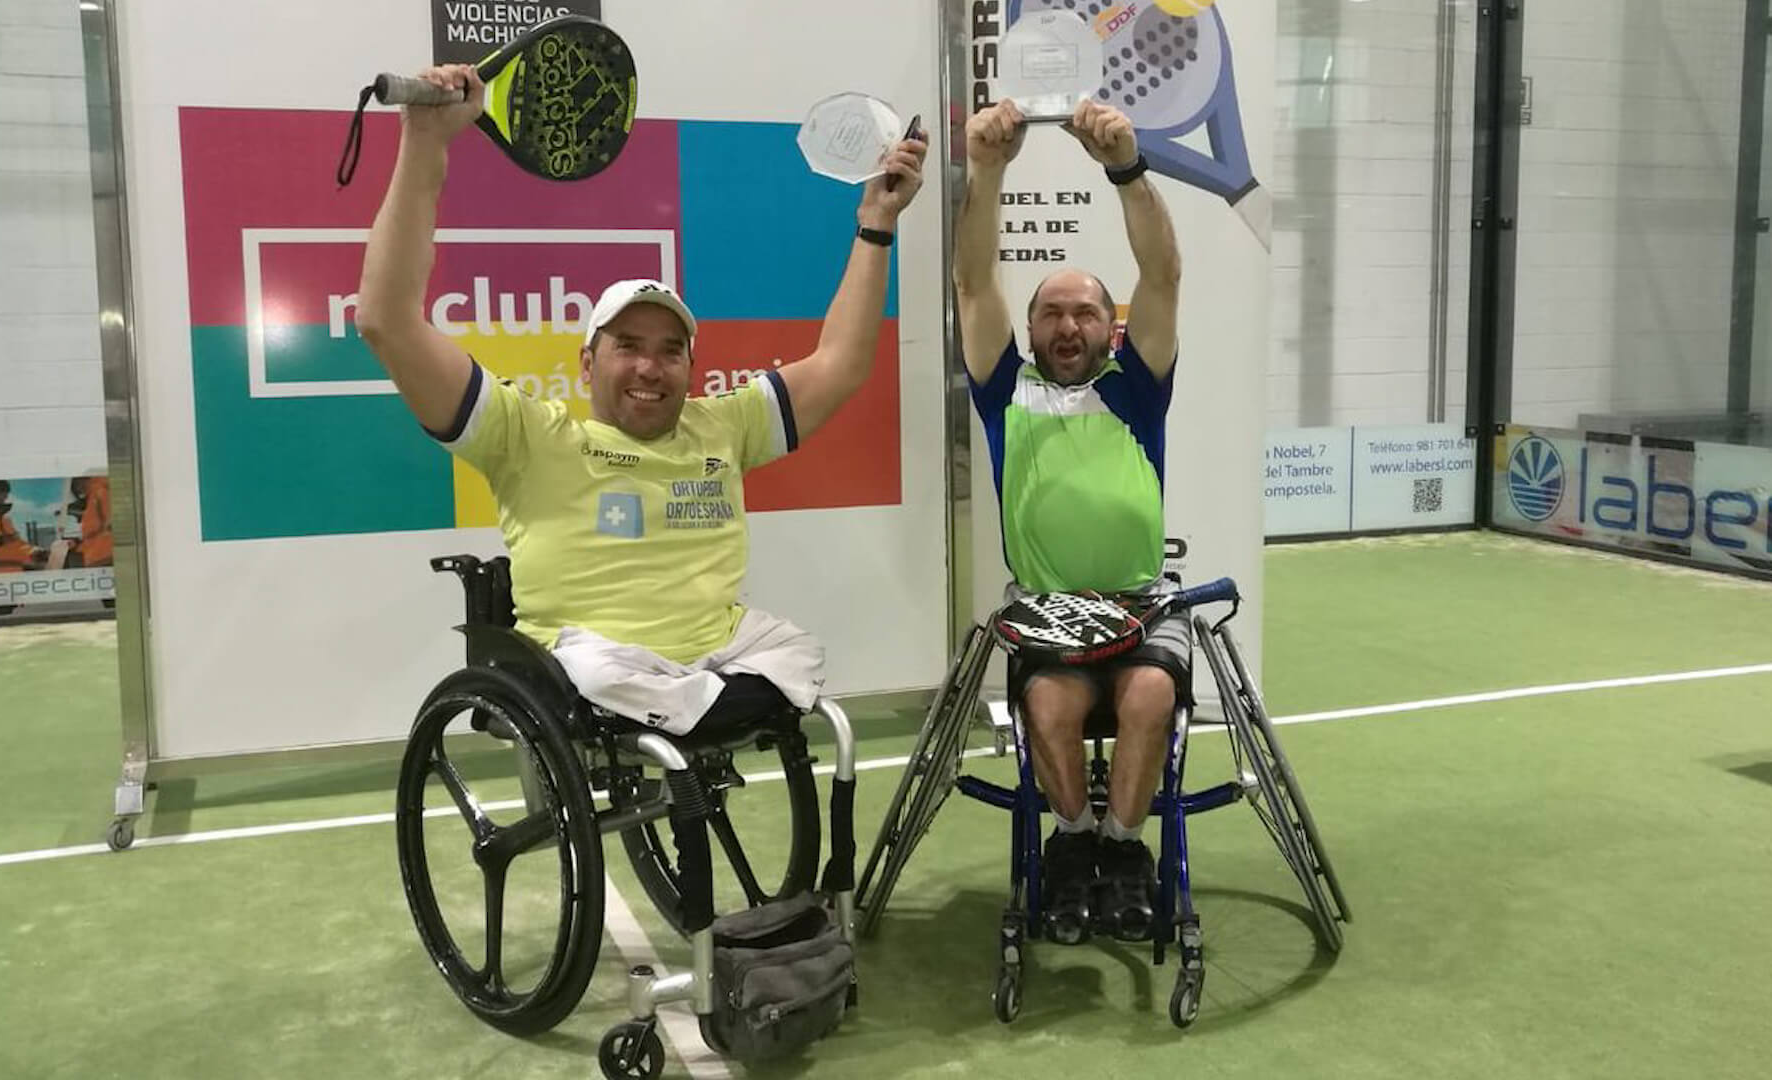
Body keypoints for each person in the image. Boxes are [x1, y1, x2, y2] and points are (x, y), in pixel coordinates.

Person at [355, 63, 926, 736]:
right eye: (628, 345)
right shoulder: (526, 435)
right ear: (588, 361)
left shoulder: (724, 426)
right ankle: (679, 707)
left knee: (799, 652)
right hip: (597, 663)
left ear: (691, 366)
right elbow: (385, 320)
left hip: (715, 654)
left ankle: (687, 703)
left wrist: (876, 222)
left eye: (669, 349)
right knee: (599, 675)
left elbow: (842, 363)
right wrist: (426, 141)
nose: (650, 367)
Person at [953, 98, 1191, 944]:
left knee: (1153, 692)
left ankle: (1125, 853)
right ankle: (1074, 842)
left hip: (1141, 607)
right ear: (1029, 329)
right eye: (1050, 312)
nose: (1066, 325)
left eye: (1085, 312)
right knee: (1049, 710)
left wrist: (1125, 168)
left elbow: (1161, 273)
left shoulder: (1136, 386)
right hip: (1047, 615)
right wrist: (989, 171)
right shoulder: (1002, 388)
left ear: (1109, 327)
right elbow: (975, 280)